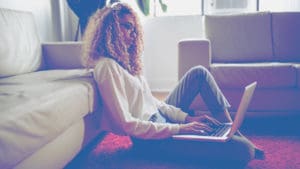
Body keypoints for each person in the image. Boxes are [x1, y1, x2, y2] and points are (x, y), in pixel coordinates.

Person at [82, 2, 264, 167]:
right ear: (110, 28)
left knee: (198, 73)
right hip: (150, 140)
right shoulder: (107, 67)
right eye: (127, 27)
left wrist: (186, 118)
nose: (132, 34)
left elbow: (154, 103)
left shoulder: (126, 63)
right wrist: (179, 129)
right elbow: (126, 124)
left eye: (134, 29)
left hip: (162, 121)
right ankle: (234, 138)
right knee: (244, 151)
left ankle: (231, 131)